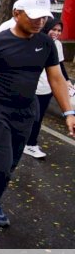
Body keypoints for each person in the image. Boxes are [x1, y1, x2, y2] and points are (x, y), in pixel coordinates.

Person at [0, 0, 75, 239]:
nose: (39, 22)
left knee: (9, 165)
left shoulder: (46, 44)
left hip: (25, 113)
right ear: (16, 13)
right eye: (34, 17)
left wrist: (69, 112)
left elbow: (56, 78)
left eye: (44, 18)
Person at [24, 19, 72, 158]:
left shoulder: (57, 45)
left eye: (59, 30)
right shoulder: (36, 42)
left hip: (47, 88)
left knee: (38, 118)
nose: (56, 33)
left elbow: (60, 65)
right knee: (33, 117)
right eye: (54, 29)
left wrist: (67, 80)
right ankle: (29, 143)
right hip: (33, 88)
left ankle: (30, 143)